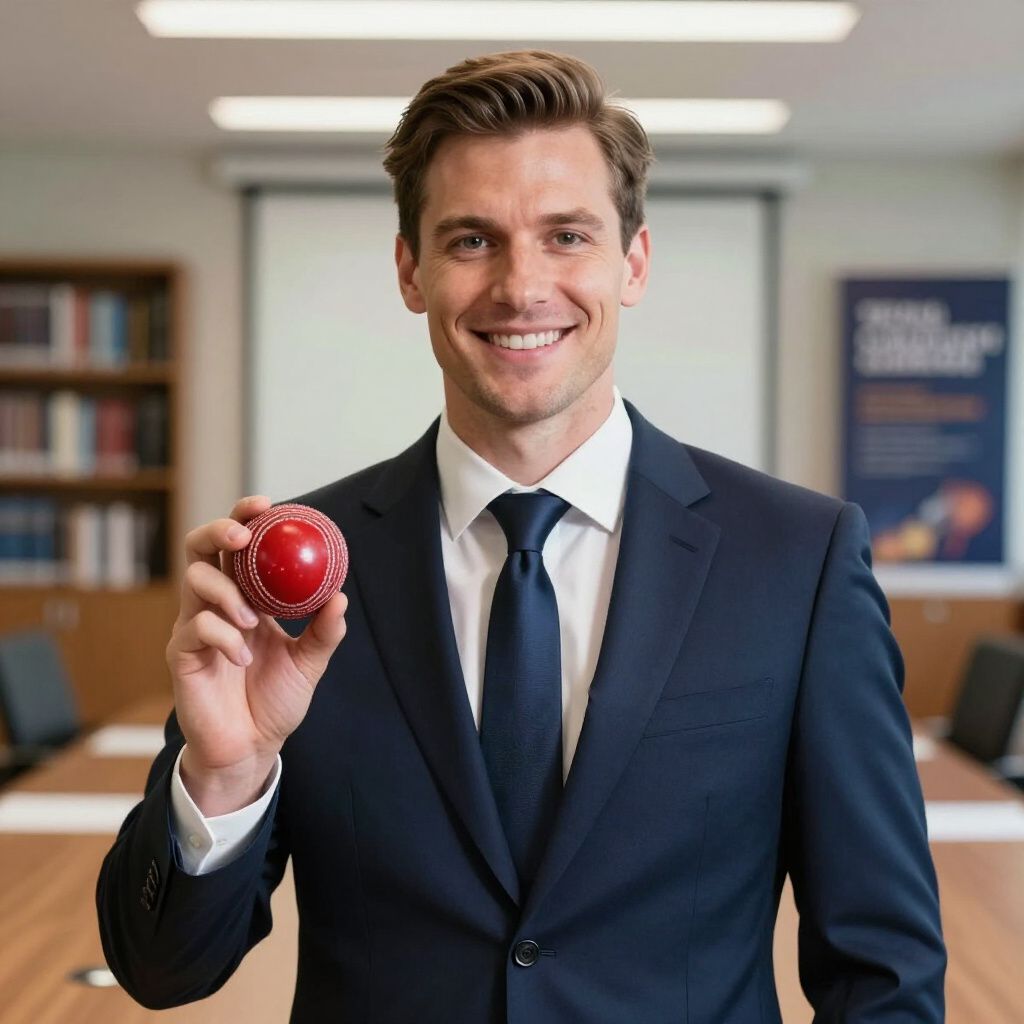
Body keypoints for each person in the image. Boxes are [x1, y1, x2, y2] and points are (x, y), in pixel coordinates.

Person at [97, 50, 946, 1022]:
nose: (521, 285)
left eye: (566, 235)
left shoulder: (796, 559)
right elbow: (162, 973)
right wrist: (225, 771)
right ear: (410, 270)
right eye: (470, 240)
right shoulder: (293, 586)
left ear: (631, 262)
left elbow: (882, 968)